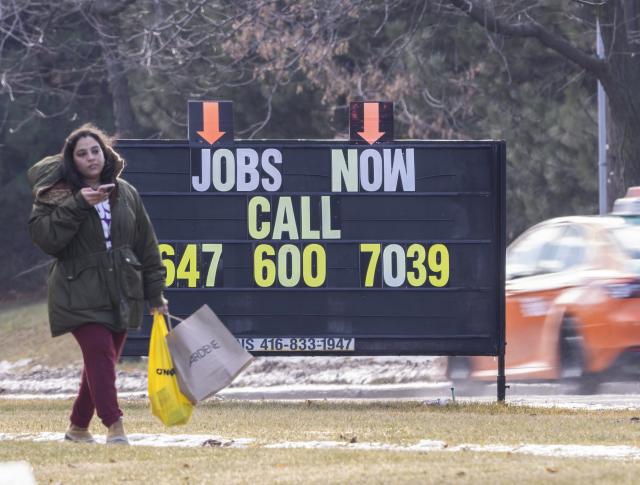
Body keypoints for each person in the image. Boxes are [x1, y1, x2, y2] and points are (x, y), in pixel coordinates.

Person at [27, 123, 168, 445]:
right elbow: (47, 240)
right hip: (78, 291)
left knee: (100, 363)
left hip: (123, 291)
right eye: (82, 154)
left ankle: (78, 428)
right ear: (71, 161)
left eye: (95, 151)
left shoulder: (126, 191)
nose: (91, 158)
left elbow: (146, 243)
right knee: (101, 354)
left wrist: (155, 291)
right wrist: (78, 205)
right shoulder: (56, 196)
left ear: (105, 154)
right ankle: (115, 425)